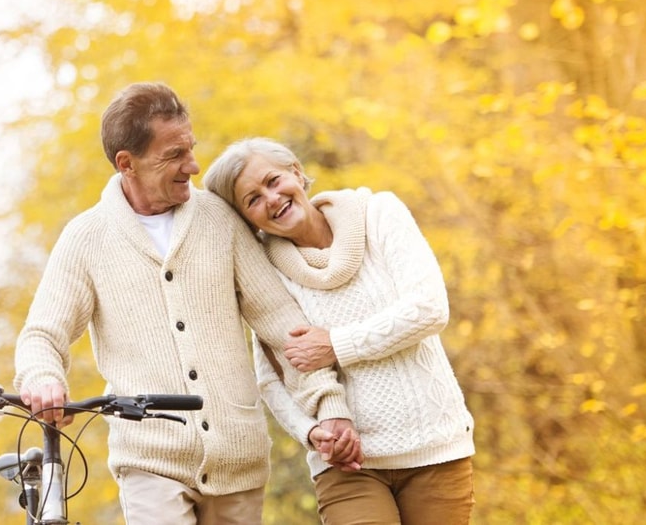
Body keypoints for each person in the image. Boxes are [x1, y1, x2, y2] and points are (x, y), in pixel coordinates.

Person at [14, 83, 360, 525]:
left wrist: (328, 406)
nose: (193, 166)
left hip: (238, 461)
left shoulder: (220, 220)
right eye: (174, 155)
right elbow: (44, 333)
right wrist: (44, 379)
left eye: (190, 149)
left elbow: (283, 325)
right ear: (127, 163)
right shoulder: (87, 239)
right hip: (150, 462)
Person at [203, 136, 476, 525]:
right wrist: (310, 431)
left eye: (273, 181)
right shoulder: (267, 272)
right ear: (249, 219)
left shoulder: (378, 214)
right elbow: (272, 379)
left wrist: (335, 344)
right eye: (252, 200)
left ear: (296, 173)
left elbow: (429, 309)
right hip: (348, 467)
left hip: (436, 450)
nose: (271, 198)